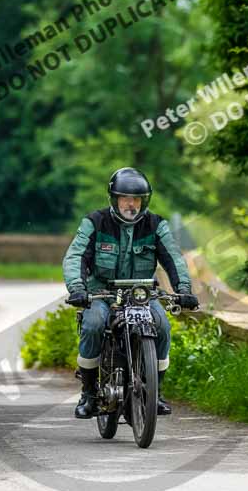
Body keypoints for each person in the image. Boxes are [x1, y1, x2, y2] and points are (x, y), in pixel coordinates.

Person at [62, 167, 199, 419]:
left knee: (162, 327)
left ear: (144, 200)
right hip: (101, 292)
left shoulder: (157, 225)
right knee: (93, 324)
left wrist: (184, 290)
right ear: (114, 199)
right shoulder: (95, 222)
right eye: (125, 198)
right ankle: (89, 393)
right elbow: (75, 257)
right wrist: (77, 288)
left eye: (136, 199)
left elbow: (174, 259)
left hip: (142, 293)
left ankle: (154, 394)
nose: (131, 204)